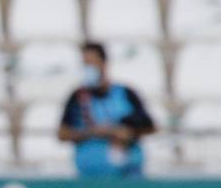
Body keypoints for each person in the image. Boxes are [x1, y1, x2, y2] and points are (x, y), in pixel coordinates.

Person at [57, 42, 156, 178]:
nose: (88, 68)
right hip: (89, 177)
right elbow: (62, 133)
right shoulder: (77, 96)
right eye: (85, 64)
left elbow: (150, 127)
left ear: (104, 63)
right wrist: (94, 132)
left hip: (127, 176)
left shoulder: (125, 93)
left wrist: (126, 132)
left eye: (92, 63)